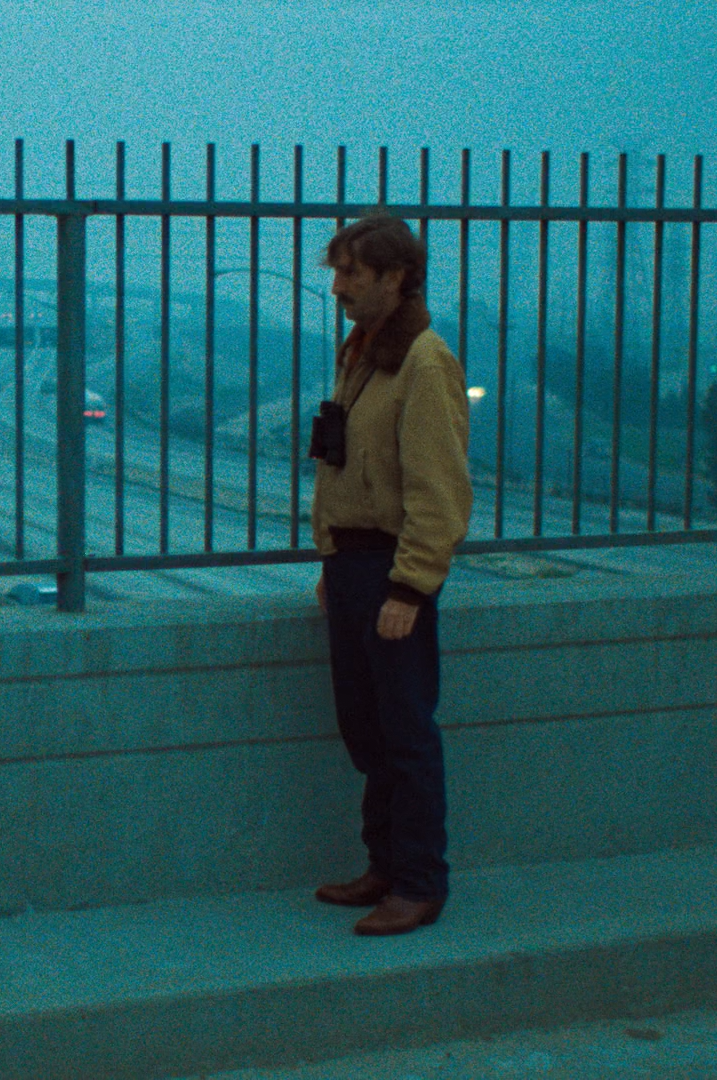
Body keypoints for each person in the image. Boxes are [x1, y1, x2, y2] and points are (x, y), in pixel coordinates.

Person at [308, 213, 472, 936]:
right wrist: (331, 559)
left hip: (390, 571)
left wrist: (410, 587)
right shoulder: (365, 353)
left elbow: (439, 491)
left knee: (405, 733)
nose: (338, 287)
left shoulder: (423, 363)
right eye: (337, 272)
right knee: (366, 729)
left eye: (352, 273)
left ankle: (419, 883)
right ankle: (383, 865)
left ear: (396, 277)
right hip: (352, 565)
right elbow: (345, 468)